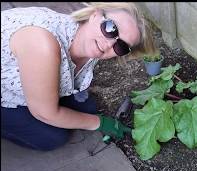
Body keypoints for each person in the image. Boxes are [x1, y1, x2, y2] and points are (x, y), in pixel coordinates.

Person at [1, 2, 156, 151]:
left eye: (121, 45)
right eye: (111, 28)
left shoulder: (91, 39)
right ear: (95, 15)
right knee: (52, 137)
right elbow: (44, 113)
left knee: (87, 108)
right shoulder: (43, 47)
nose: (109, 44)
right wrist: (99, 123)